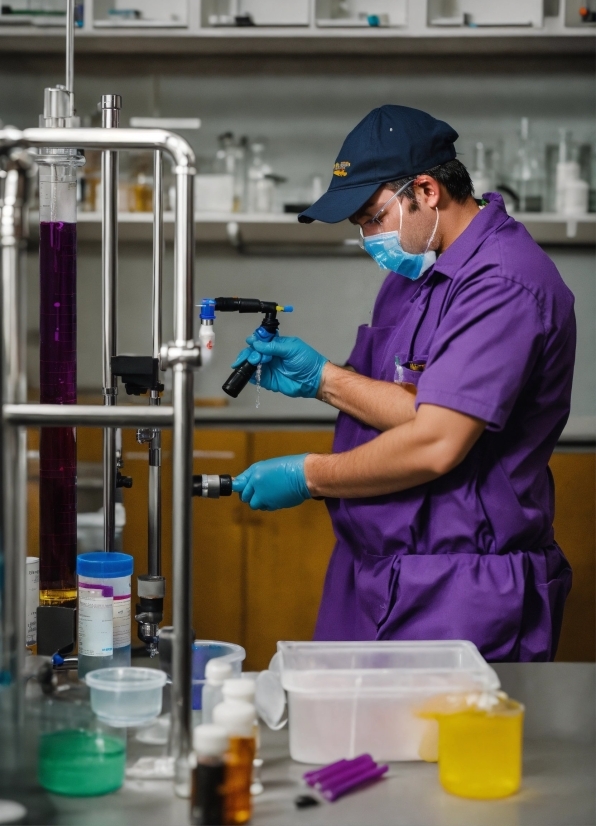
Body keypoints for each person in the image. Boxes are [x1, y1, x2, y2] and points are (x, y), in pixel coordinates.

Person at [231, 105, 575, 662]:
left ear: (427, 190)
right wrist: (324, 379)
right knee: (345, 741)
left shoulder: (505, 282)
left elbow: (438, 441)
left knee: (438, 748)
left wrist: (311, 475)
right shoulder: (414, 273)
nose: (368, 238)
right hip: (376, 572)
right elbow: (424, 408)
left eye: (372, 217)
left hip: (462, 585)